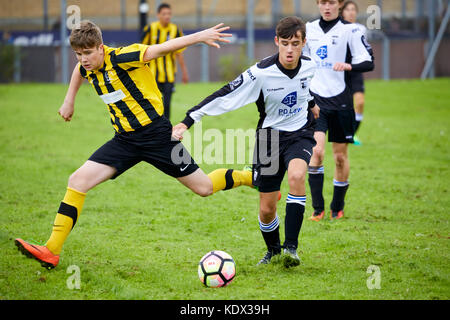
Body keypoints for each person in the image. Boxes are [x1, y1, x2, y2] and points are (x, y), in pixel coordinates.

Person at [15, 20, 254, 269]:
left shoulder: (122, 57)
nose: (83, 59)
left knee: (204, 188)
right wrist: (69, 101)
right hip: (124, 141)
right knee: (77, 181)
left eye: (87, 53)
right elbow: (79, 71)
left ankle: (248, 177)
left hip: (158, 137)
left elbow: (161, 48)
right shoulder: (87, 67)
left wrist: (199, 36)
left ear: (101, 48)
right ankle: (51, 250)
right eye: (78, 54)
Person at [172, 16, 320, 267]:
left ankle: (291, 249)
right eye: (285, 43)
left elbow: (303, 90)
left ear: (304, 43)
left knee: (297, 176)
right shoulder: (261, 72)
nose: (290, 50)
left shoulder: (310, 65)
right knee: (266, 209)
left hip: (300, 133)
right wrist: (188, 120)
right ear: (277, 42)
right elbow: (226, 93)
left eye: (296, 43)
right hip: (269, 139)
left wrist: (313, 104)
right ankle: (273, 251)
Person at [303, 0, 374, 221]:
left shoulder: (350, 30)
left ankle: (337, 206)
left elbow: (368, 61)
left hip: (342, 102)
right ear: (317, 4)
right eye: (322, 2)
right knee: (316, 152)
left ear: (339, 4)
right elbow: (300, 58)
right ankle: (317, 209)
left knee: (340, 157)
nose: (327, 6)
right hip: (315, 102)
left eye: (331, 2)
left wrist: (349, 65)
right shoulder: (309, 29)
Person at [141, 2, 189, 121]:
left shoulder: (175, 30)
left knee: (167, 105)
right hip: (152, 74)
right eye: (164, 14)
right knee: (153, 104)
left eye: (169, 14)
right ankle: (152, 129)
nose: (167, 16)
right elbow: (141, 51)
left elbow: (179, 53)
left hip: (169, 75)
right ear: (158, 15)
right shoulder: (150, 29)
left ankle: (165, 131)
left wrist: (184, 72)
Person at [341, 0, 367, 145]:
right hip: (340, 73)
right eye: (348, 9)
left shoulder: (361, 29)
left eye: (353, 10)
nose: (351, 12)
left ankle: (352, 134)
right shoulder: (337, 29)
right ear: (342, 12)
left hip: (355, 71)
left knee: (360, 102)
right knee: (344, 106)